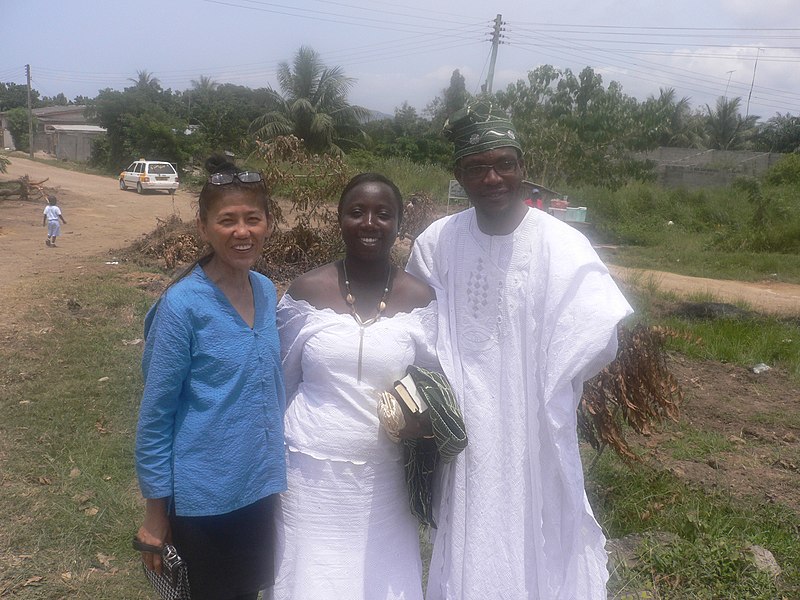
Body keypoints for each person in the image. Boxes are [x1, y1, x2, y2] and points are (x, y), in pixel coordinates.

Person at [406, 102, 633, 600]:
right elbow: (415, 330)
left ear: (523, 168)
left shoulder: (563, 245)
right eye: (476, 167)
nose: (492, 177)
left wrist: (549, 378)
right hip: (462, 428)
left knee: (543, 525)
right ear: (459, 176)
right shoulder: (437, 243)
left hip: (534, 424)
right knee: (468, 532)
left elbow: (597, 328)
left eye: (503, 164)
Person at [269, 173, 437, 600]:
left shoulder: (420, 298)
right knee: (308, 578)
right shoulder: (307, 290)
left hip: (383, 482)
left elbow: (435, 385)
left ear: (399, 225)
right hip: (307, 474)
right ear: (340, 220)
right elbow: (281, 380)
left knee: (377, 583)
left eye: (384, 214)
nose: (369, 223)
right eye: (357, 211)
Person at [134, 157, 286, 600]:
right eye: (227, 221)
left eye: (253, 219)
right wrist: (155, 514)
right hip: (204, 501)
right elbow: (157, 415)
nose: (243, 232)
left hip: (260, 490)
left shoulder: (265, 289)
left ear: (268, 224)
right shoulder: (182, 307)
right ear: (203, 228)